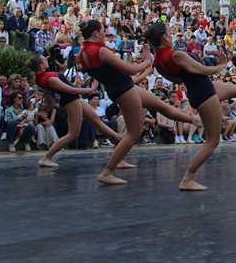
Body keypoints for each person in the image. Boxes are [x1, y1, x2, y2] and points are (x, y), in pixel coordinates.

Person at [77, 19, 192, 185]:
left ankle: (194, 119)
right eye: (103, 31)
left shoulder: (83, 53)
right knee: (134, 133)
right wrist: (146, 61)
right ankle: (107, 172)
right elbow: (129, 70)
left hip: (120, 87)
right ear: (95, 33)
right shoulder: (100, 50)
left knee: (162, 106)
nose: (105, 33)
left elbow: (114, 72)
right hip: (125, 90)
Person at [29, 54, 132, 169]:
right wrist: (91, 89)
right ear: (41, 64)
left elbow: (52, 93)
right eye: (44, 60)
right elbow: (70, 90)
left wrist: (53, 102)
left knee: (95, 119)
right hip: (71, 100)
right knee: (73, 134)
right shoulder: (49, 78)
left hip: (73, 99)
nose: (47, 60)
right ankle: (46, 158)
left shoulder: (41, 77)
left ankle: (117, 143)